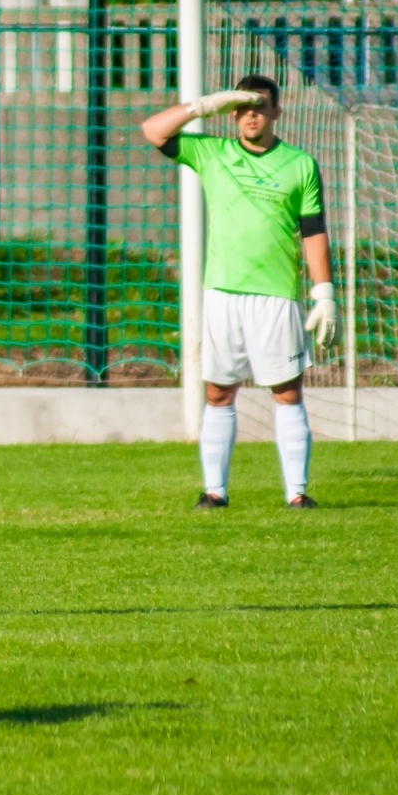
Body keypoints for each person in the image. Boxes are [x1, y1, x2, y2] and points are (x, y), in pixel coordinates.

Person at [139, 74, 337, 509]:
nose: (253, 113)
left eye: (261, 105)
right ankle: (215, 493)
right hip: (222, 295)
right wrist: (203, 106)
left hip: (276, 296)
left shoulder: (300, 164)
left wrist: (324, 293)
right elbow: (153, 130)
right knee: (218, 393)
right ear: (232, 113)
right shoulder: (212, 152)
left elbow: (314, 232)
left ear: (276, 112)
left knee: (286, 393)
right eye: (244, 106)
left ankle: (298, 495)